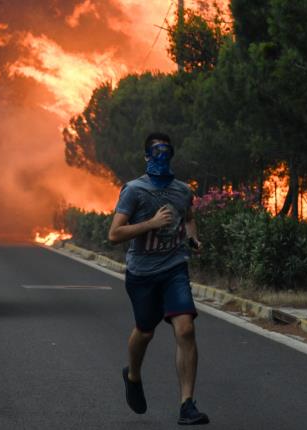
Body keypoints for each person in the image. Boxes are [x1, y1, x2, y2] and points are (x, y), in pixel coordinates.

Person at [107, 132, 209, 426]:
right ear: (147, 156)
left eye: (167, 152)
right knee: (146, 331)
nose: (162, 157)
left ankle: (187, 405)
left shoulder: (182, 190)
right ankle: (133, 375)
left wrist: (193, 239)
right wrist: (151, 223)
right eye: (157, 152)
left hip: (174, 268)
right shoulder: (134, 191)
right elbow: (114, 234)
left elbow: (187, 216)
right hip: (142, 273)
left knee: (186, 329)